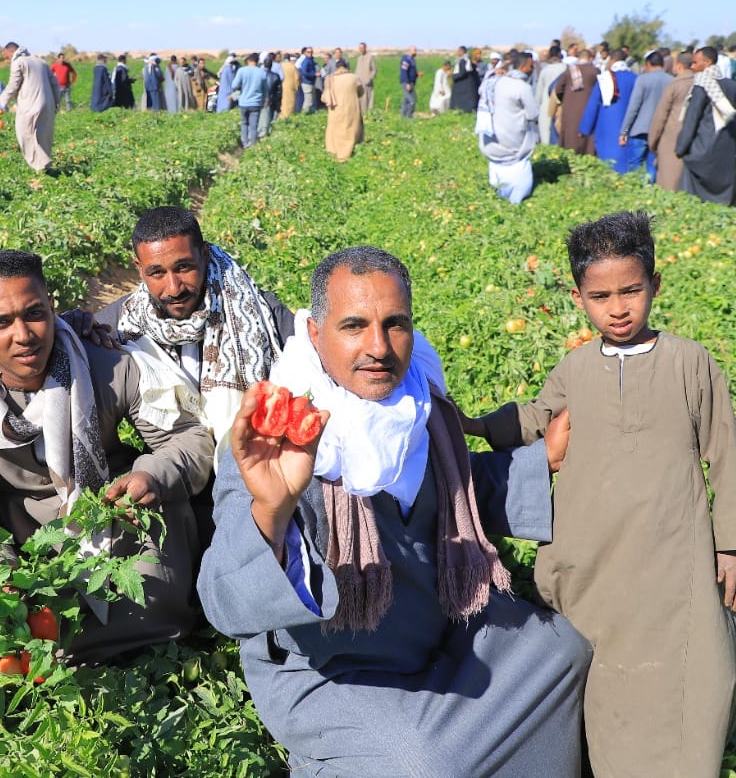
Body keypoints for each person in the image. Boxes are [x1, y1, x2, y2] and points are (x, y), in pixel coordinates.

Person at [197, 245, 592, 776]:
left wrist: (539, 459)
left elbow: (460, 493)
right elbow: (224, 600)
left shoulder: (419, 409)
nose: (378, 347)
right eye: (354, 326)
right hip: (332, 671)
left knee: (560, 652)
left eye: (395, 323)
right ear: (316, 335)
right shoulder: (280, 438)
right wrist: (274, 506)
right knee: (424, 764)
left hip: (436, 631)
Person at [464, 211, 736, 776]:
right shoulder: (576, 368)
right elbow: (535, 420)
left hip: (672, 555)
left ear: (655, 285)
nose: (618, 308)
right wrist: (467, 423)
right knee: (601, 672)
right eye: (600, 295)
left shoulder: (690, 363)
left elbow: (725, 451)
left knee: (693, 670)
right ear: (578, 297)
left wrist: (734, 547)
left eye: (631, 290)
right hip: (592, 557)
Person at [0, 250, 213, 663]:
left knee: (151, 599)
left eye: (33, 313)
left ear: (51, 304)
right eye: (0, 322)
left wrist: (151, 476)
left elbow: (186, 438)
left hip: (109, 510)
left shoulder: (104, 362)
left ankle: (87, 646)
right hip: (15, 526)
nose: (23, 335)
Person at [97, 206, 295, 451]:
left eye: (183, 267)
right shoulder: (122, 321)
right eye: (156, 272)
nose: (174, 288)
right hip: (172, 470)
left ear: (204, 254)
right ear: (139, 268)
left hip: (255, 466)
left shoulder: (261, 314)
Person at [676, 46, 736, 205]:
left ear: (707, 62)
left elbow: (692, 119)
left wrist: (681, 147)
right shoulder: (731, 85)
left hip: (704, 146)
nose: (692, 67)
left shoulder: (701, 85)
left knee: (693, 190)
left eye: (695, 62)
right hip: (726, 146)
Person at [478, 50, 538, 205]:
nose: (532, 70)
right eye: (531, 66)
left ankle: (499, 195)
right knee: (519, 181)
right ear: (523, 67)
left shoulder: (494, 81)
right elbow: (532, 114)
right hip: (512, 141)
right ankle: (516, 200)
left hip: (491, 140)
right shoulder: (522, 87)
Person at [0, 42, 60, 173]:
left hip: (30, 104)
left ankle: (39, 166)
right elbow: (55, 83)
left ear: (10, 51)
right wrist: (56, 103)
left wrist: (0, 99)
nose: (6, 58)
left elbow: (13, 85)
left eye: (6, 55)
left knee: (24, 133)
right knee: (43, 134)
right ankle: (45, 165)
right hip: (48, 103)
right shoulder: (42, 62)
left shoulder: (19, 62)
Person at [578, 51, 636, 173]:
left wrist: (584, 129)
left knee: (607, 162)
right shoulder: (636, 78)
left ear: (612, 61)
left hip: (606, 126)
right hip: (628, 127)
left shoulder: (605, 78)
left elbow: (593, 105)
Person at [618, 50, 672, 180]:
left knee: (634, 166)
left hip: (640, 130)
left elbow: (633, 108)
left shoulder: (642, 80)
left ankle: (634, 192)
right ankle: (649, 192)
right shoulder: (671, 80)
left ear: (648, 64)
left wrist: (624, 131)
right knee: (652, 165)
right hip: (659, 131)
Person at [647, 50, 694, 192]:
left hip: (672, 137)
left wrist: (653, 141)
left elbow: (661, 116)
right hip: (694, 137)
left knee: (668, 183)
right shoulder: (699, 83)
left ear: (679, 65)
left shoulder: (675, 85)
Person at [552, 49, 597, 154]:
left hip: (570, 111)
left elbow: (558, 90)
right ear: (590, 58)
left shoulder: (569, 71)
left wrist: (566, 99)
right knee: (588, 141)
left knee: (570, 139)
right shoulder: (595, 71)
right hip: (588, 110)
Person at [322, 55, 363, 162]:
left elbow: (324, 97)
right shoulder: (354, 78)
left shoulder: (331, 79)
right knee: (350, 130)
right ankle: (347, 153)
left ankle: (334, 152)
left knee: (335, 130)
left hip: (335, 109)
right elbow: (361, 92)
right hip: (351, 108)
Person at [229, 53, 268, 149]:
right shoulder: (262, 72)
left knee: (244, 123)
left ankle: (244, 143)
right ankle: (252, 145)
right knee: (253, 125)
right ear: (257, 61)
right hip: (256, 102)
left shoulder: (242, 71)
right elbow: (265, 90)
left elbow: (234, 85)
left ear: (249, 61)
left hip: (243, 102)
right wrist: (264, 101)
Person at [535, 46, 566, 145]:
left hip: (545, 106)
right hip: (561, 107)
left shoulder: (545, 70)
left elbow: (539, 93)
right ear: (559, 55)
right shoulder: (566, 68)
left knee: (545, 139)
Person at [449, 46, 479, 113]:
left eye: (458, 51)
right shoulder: (464, 60)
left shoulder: (464, 61)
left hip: (464, 85)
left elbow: (463, 73)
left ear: (462, 52)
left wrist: (453, 76)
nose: (457, 52)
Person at [355, 42, 377, 112]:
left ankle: (367, 117)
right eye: (360, 48)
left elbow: (374, 70)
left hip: (367, 84)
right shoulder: (359, 58)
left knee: (367, 102)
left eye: (362, 48)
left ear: (365, 48)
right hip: (359, 84)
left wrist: (369, 79)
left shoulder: (370, 57)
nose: (361, 49)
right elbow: (357, 70)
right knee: (360, 102)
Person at [399, 46, 419, 118]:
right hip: (406, 83)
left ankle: (403, 115)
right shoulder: (406, 60)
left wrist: (417, 75)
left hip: (411, 82)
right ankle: (409, 116)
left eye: (416, 50)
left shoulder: (412, 60)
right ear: (409, 51)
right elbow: (404, 72)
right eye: (414, 50)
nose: (415, 52)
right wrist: (407, 83)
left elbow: (411, 72)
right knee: (412, 100)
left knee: (406, 100)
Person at [296, 47, 317, 114]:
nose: (310, 53)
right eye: (308, 52)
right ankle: (304, 115)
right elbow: (304, 72)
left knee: (310, 100)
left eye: (311, 52)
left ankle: (308, 113)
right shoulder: (306, 61)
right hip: (307, 83)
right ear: (305, 53)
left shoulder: (310, 60)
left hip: (310, 82)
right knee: (308, 101)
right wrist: (314, 74)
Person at [279, 53, 299, 120]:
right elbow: (297, 78)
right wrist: (296, 87)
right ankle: (289, 117)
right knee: (290, 103)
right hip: (290, 87)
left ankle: (281, 117)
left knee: (282, 103)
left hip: (281, 86)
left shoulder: (280, 65)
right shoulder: (292, 66)